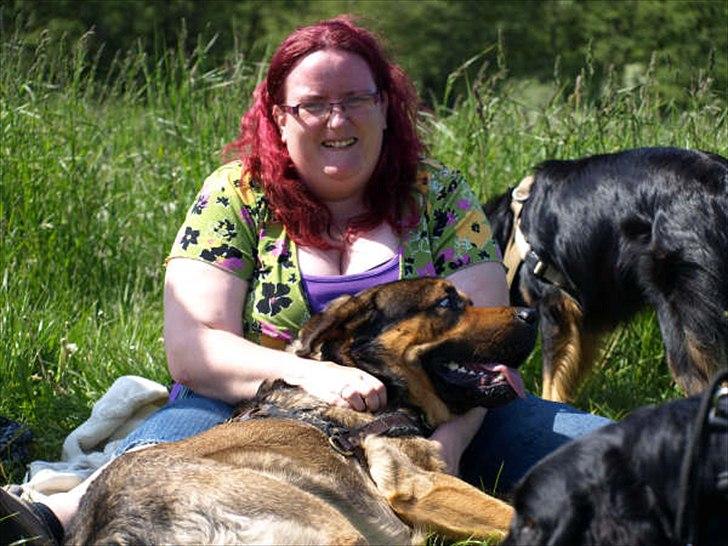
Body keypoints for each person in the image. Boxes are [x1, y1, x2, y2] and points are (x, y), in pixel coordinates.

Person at [0, 15, 611, 544]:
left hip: (440, 409)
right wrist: (312, 373)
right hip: (245, 402)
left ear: (386, 108)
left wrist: (446, 446)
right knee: (157, 469)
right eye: (314, 103)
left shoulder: (440, 194)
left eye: (356, 99)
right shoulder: (234, 194)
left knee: (606, 456)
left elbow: (486, 345)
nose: (336, 118)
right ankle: (51, 517)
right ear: (278, 115)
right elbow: (194, 348)